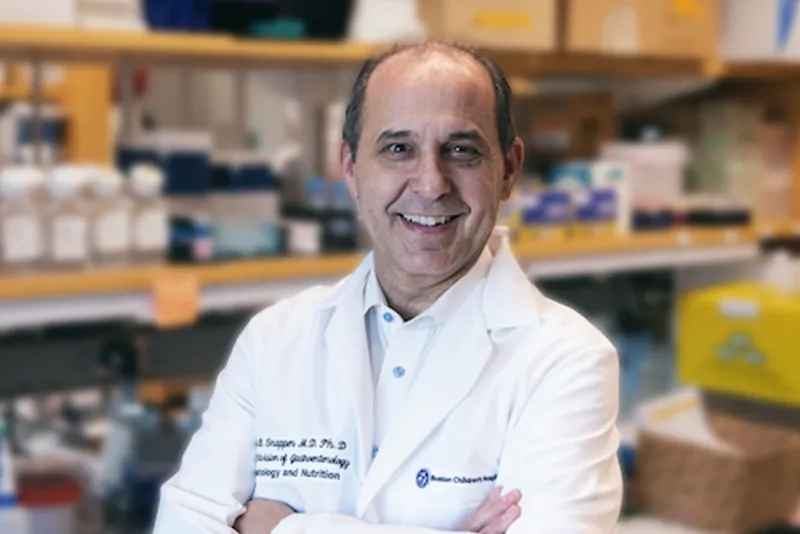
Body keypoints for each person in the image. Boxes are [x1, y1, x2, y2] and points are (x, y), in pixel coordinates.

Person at [153, 41, 622, 534]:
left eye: (461, 150)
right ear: (351, 169)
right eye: (398, 149)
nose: (430, 183)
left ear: (508, 170)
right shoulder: (274, 340)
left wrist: (281, 529)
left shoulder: (566, 359)